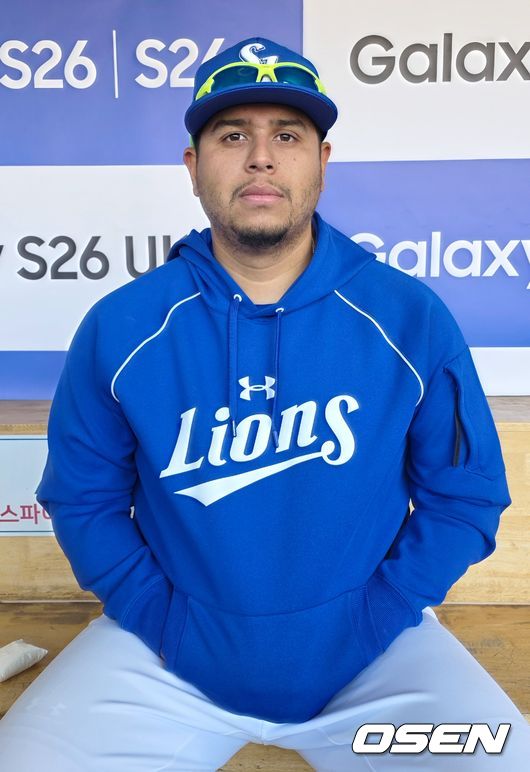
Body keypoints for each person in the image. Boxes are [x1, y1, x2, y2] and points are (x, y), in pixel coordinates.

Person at [0, 35, 528, 771]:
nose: (260, 158)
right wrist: (161, 619)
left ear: (322, 162)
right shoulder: (123, 325)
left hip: (373, 653)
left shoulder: (408, 316)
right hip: (167, 653)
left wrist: (378, 614)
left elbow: (465, 497)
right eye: (231, 135)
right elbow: (83, 500)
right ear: (193, 166)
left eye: (287, 135)